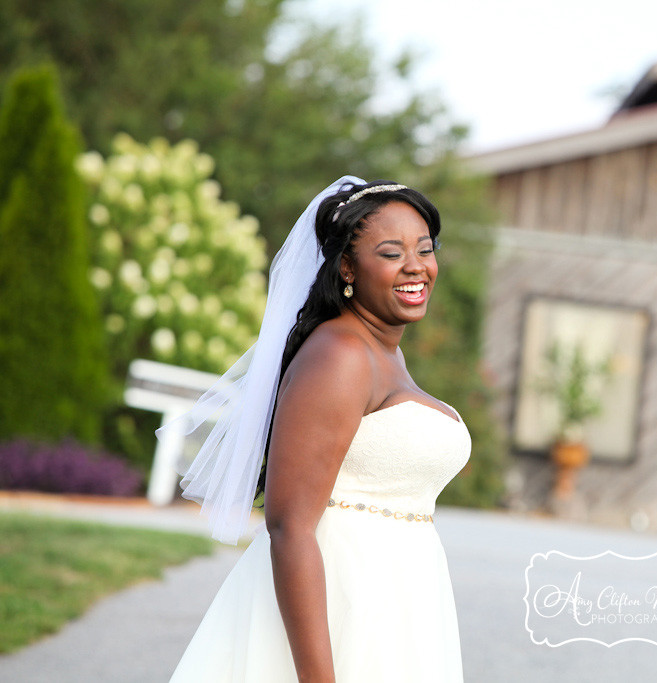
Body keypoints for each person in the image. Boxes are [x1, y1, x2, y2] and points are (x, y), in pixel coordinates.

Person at [162, 176, 470, 682]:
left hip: (398, 608)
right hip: (342, 611)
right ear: (347, 266)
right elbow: (289, 525)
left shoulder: (383, 353)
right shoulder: (342, 354)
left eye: (425, 249)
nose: (416, 266)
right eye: (392, 253)